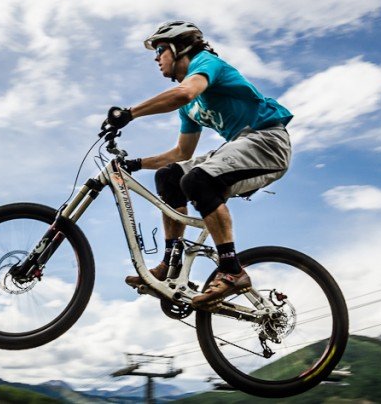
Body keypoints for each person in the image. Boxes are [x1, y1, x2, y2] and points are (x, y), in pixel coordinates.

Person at [103, 21, 293, 309]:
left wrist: (129, 113)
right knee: (170, 176)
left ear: (181, 48)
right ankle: (172, 264)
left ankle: (232, 271)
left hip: (267, 142)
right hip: (240, 145)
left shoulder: (207, 63)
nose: (156, 58)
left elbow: (184, 92)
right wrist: (136, 163)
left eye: (161, 49)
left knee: (198, 180)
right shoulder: (188, 108)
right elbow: (181, 152)